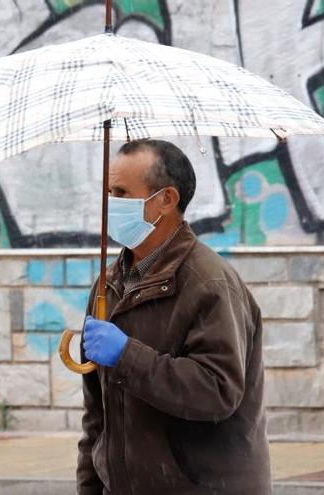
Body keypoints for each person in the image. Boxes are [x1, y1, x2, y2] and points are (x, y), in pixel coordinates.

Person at [76, 140, 271, 494]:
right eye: (107, 192)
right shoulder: (109, 285)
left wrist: (127, 356)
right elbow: (97, 418)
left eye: (121, 192)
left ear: (166, 200)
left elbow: (217, 392)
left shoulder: (209, 283)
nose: (110, 204)